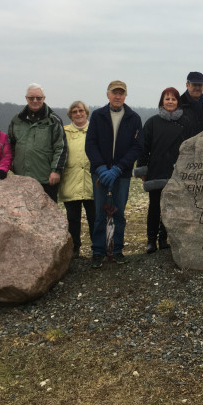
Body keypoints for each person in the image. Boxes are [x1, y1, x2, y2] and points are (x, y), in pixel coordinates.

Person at [85, 80, 143, 268]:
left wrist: (119, 168)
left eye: (121, 93)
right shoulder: (97, 115)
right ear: (108, 94)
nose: (117, 96)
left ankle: (117, 250)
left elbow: (137, 147)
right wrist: (101, 168)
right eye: (114, 93)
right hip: (100, 174)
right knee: (101, 213)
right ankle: (98, 251)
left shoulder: (133, 118)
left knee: (119, 212)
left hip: (122, 174)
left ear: (125, 95)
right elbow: (91, 144)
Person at [135, 87, 194, 253]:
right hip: (156, 169)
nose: (170, 102)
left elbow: (190, 147)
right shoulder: (152, 122)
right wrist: (142, 169)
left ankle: (164, 239)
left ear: (178, 102)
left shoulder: (186, 122)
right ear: (162, 101)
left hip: (176, 170)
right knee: (154, 206)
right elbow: (143, 147)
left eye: (173, 99)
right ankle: (151, 240)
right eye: (167, 99)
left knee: (172, 207)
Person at [8, 83, 68, 202]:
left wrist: (56, 171)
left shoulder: (53, 120)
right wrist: (13, 163)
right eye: (31, 98)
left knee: (48, 215)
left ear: (44, 98)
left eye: (38, 98)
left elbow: (61, 147)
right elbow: (10, 144)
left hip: (46, 178)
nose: (35, 101)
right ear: (26, 99)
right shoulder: (17, 120)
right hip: (22, 177)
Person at [59, 101, 95, 259]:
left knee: (95, 218)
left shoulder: (95, 130)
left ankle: (98, 248)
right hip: (70, 181)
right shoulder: (63, 132)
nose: (78, 114)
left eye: (81, 110)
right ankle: (74, 250)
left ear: (86, 112)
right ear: (70, 115)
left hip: (92, 181)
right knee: (72, 219)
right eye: (74, 111)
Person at [179, 71, 203, 135]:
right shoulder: (178, 105)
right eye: (194, 84)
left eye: (200, 85)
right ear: (187, 85)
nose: (197, 88)